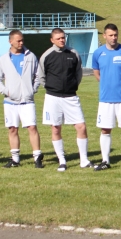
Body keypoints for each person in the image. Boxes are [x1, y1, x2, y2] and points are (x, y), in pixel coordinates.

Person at [38, 28, 92, 171]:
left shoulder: (73, 53)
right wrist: (51, 87)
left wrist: (72, 86)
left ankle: (84, 160)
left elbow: (78, 73)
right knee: (56, 128)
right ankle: (62, 160)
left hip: (71, 96)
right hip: (52, 97)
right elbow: (41, 76)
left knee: (81, 126)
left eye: (63, 37)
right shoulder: (46, 55)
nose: (62, 40)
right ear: (52, 40)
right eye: (58, 38)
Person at [92, 23, 121, 171]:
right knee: (105, 130)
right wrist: (107, 85)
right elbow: (97, 73)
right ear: (104, 36)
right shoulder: (98, 53)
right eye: (111, 35)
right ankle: (105, 161)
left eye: (115, 35)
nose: (114, 38)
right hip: (105, 99)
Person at [0, 30, 43, 168]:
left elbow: (38, 76)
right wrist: (6, 91)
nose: (21, 43)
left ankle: (37, 158)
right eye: (18, 40)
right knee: (12, 129)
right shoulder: (3, 59)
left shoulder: (30, 56)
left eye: (22, 40)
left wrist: (32, 89)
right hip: (10, 101)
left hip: (27, 100)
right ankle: (15, 159)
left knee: (32, 127)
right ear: (10, 41)